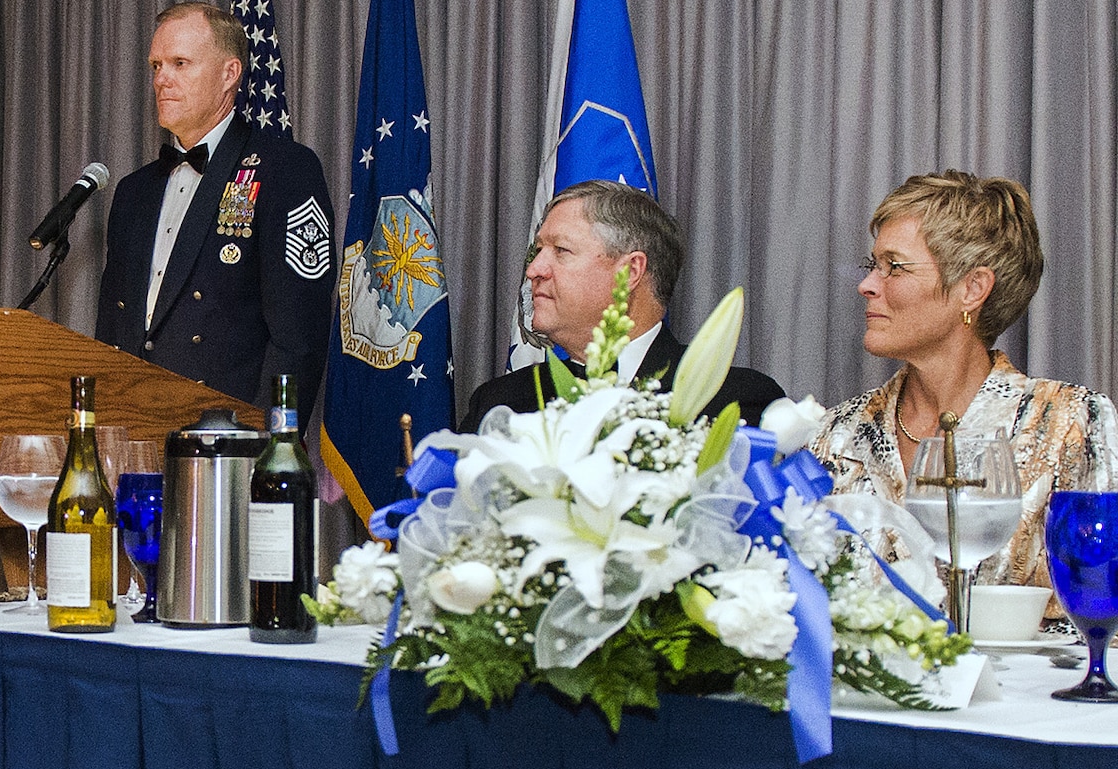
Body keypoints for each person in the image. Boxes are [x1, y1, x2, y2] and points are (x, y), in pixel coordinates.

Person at [810, 171, 1118, 594]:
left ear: (972, 288)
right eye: (872, 266)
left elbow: (1100, 607)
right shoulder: (835, 436)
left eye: (893, 268)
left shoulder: (1068, 424)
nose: (866, 285)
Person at [94, 1, 335, 411]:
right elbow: (113, 329)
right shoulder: (134, 191)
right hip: (133, 432)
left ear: (229, 74)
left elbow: (298, 339)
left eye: (179, 63)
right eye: (156, 66)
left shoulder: (285, 170)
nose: (161, 79)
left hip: (227, 443)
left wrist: (266, 444)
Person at [461, 180, 785, 432]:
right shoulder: (496, 405)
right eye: (538, 251)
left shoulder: (733, 399)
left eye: (561, 250)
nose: (534, 270)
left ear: (630, 272)